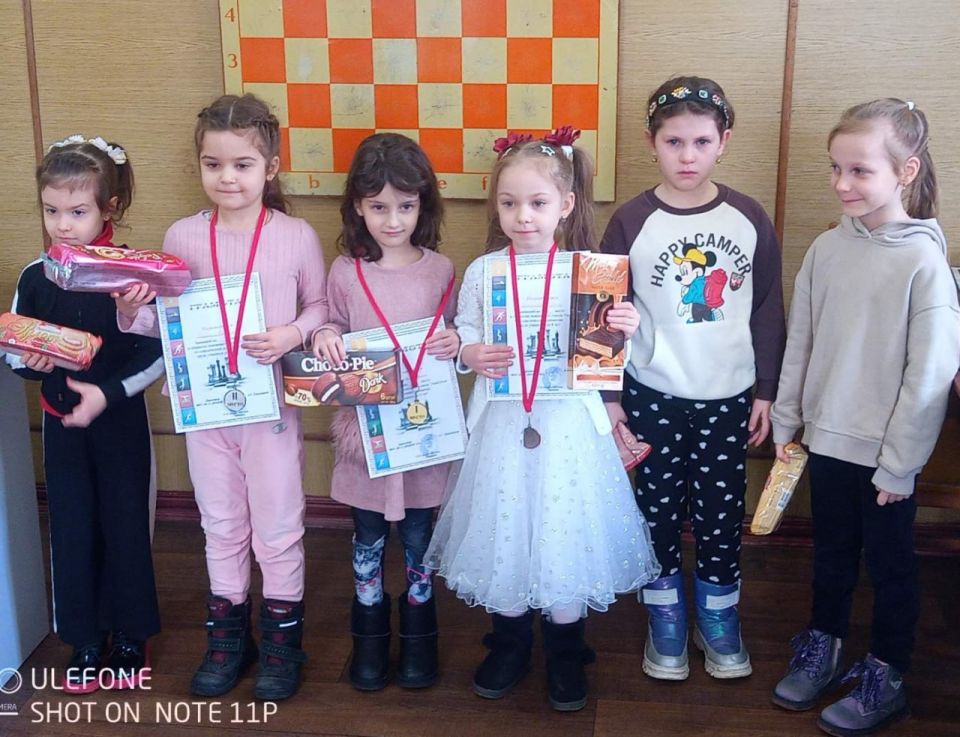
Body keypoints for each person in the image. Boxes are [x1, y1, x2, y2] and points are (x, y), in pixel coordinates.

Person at [425, 128, 661, 711]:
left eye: (537, 203)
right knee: (504, 525)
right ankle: (508, 643)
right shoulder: (484, 271)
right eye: (509, 203)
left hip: (569, 428)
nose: (523, 216)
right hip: (503, 426)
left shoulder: (591, 271)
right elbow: (465, 334)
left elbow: (616, 354)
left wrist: (627, 327)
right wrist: (469, 351)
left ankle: (566, 649)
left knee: (565, 530)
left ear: (566, 205)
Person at [116, 94, 328, 700]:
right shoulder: (181, 236)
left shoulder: (296, 235)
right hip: (205, 410)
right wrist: (132, 309)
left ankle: (283, 645)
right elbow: (169, 323)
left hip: (271, 409)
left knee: (278, 526)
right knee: (220, 523)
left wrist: (292, 333)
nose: (227, 177)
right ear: (199, 166)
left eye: (242, 164)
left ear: (271, 167)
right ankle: (228, 640)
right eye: (214, 164)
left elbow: (320, 307)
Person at [769, 98, 960, 737]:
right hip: (825, 442)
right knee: (830, 556)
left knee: (890, 567)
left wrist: (900, 465)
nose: (842, 184)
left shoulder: (924, 263)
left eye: (859, 170)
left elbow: (928, 375)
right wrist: (788, 424)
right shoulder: (827, 249)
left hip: (885, 460)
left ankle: (887, 675)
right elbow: (802, 341)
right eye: (835, 168)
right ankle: (822, 647)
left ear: (906, 172)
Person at [599, 76, 786, 681]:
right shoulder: (631, 221)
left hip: (729, 398)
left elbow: (767, 310)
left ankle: (718, 614)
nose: (687, 156)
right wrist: (609, 397)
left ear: (723, 141)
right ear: (651, 142)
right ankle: (665, 615)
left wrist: (766, 391)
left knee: (720, 513)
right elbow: (602, 314)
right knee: (654, 510)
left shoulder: (748, 216)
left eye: (701, 142)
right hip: (651, 395)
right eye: (673, 141)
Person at [6, 135, 163, 693]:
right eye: (52, 211)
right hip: (61, 422)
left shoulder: (134, 274)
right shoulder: (35, 276)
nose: (63, 225)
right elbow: (15, 349)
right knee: (71, 527)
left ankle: (131, 635)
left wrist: (110, 392)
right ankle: (84, 638)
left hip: (119, 422)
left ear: (108, 208)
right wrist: (30, 360)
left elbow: (157, 355)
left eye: (77, 212)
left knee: (125, 526)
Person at [311, 133, 458, 691]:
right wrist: (325, 334)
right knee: (368, 534)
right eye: (378, 207)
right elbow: (333, 321)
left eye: (405, 206)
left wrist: (455, 341)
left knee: (420, 534)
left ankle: (420, 632)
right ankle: (369, 631)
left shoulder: (441, 270)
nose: (392, 220)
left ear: (423, 205)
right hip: (366, 434)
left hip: (422, 432)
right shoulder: (345, 271)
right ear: (357, 207)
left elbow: (455, 337)